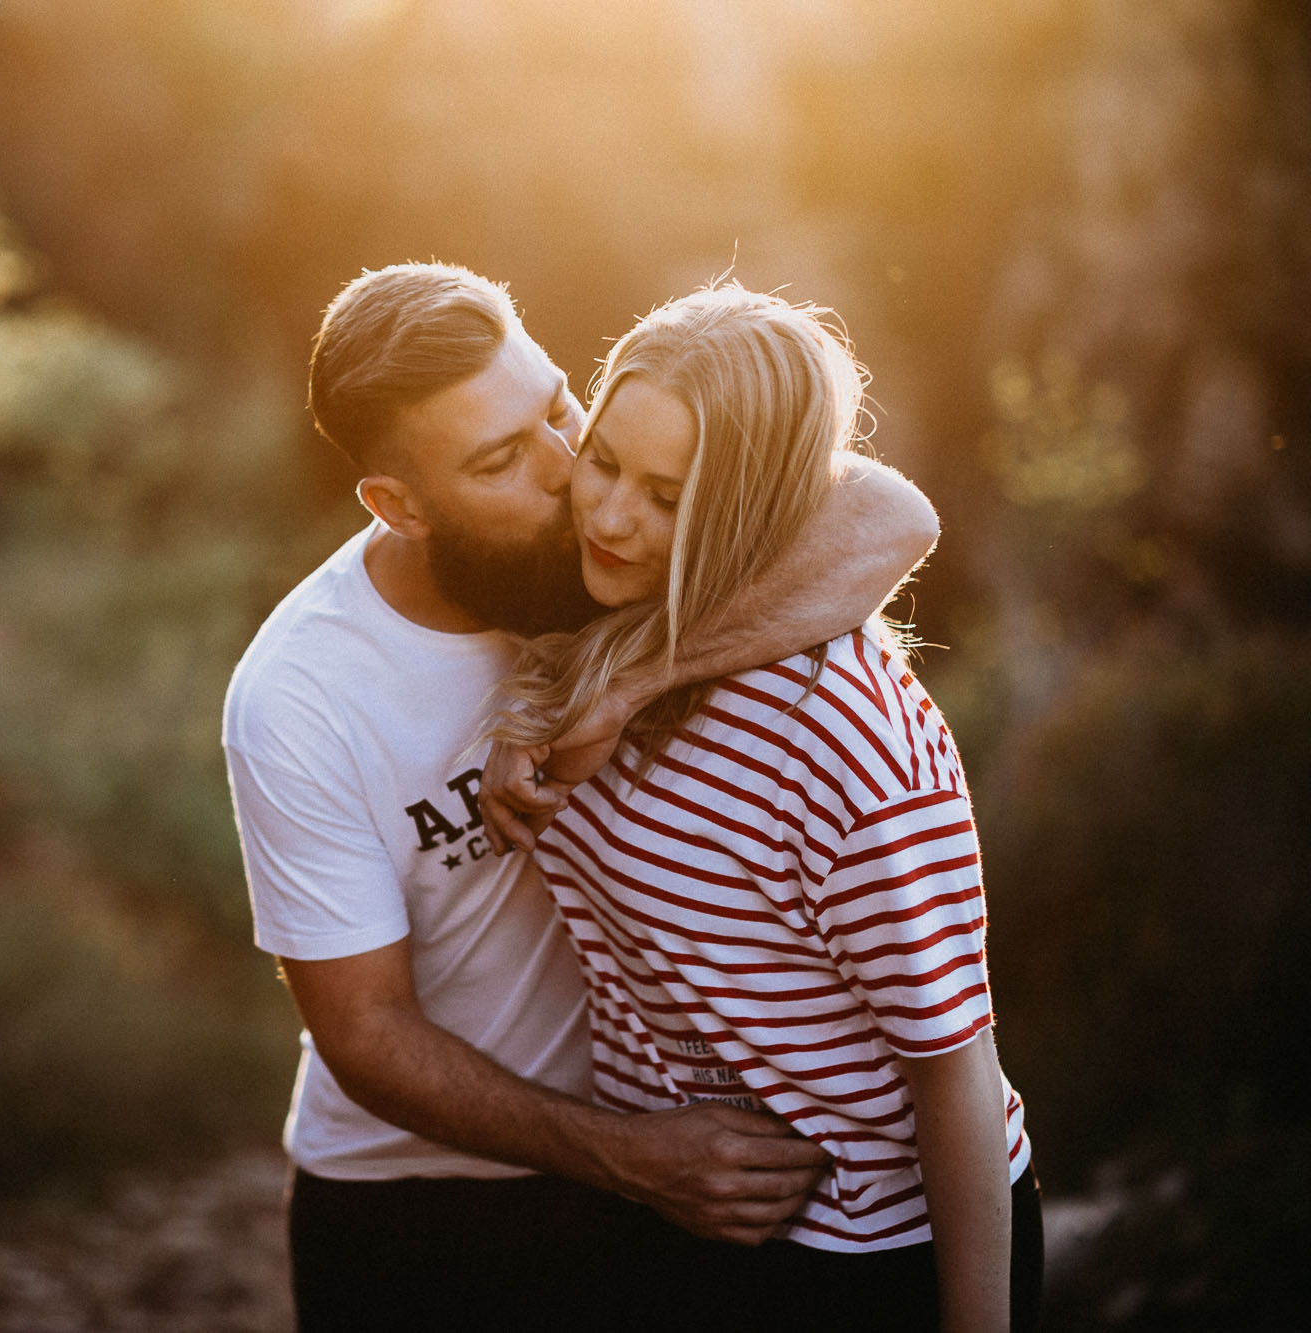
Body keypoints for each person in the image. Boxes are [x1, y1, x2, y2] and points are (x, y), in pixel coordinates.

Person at [222, 261, 941, 1329]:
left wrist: (630, 678)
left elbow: (891, 514)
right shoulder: (298, 695)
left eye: (557, 406)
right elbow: (364, 1032)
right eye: (502, 460)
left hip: (650, 1171)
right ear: (398, 504)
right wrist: (623, 1157)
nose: (569, 471)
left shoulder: (610, 545)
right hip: (414, 1211)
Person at [485, 282, 1041, 1331]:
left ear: (742, 507)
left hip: (863, 1255)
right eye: (602, 462)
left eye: (667, 495)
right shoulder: (579, 605)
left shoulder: (835, 732)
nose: (608, 517)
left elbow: (953, 1072)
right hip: (663, 1220)